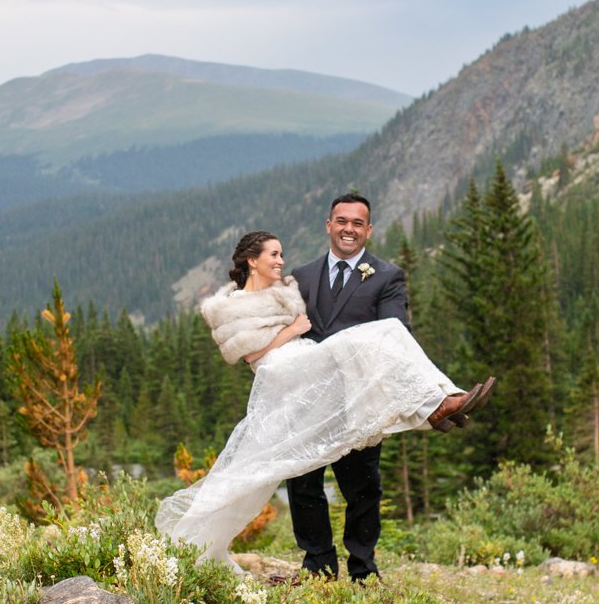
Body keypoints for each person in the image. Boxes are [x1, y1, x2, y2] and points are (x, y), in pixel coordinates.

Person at [154, 213, 492, 570]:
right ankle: (432, 408)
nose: (281, 261)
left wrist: (296, 330)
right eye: (273, 254)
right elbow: (249, 354)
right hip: (279, 371)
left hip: (302, 361)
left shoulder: (284, 291)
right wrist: (293, 329)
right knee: (380, 334)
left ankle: (438, 403)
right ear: (252, 260)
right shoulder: (229, 305)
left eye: (281, 254)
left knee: (388, 334)